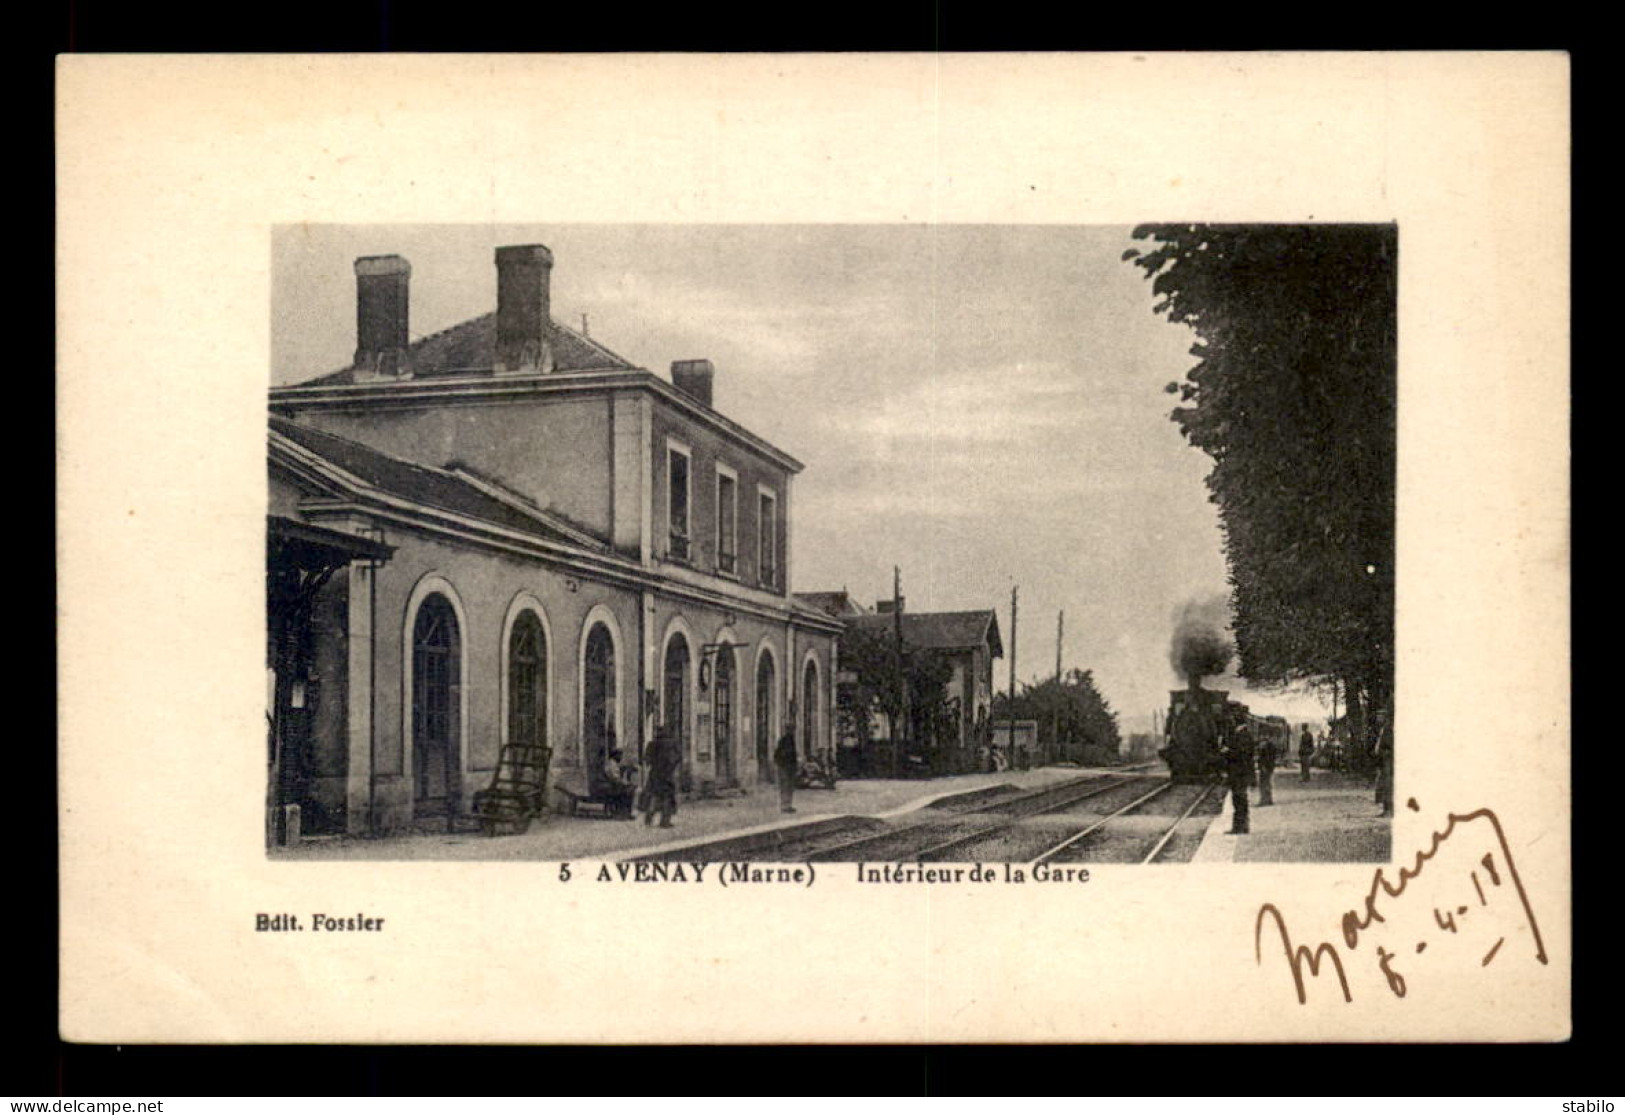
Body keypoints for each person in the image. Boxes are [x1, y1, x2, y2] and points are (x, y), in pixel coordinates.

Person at [641, 727, 680, 828]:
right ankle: (665, 821)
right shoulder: (671, 744)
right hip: (667, 775)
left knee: (654, 797)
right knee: (667, 798)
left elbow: (646, 759)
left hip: (655, 775)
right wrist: (671, 768)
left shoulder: (652, 744)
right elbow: (677, 758)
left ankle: (648, 818)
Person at [1222, 718, 1255, 835]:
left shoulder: (1242, 736)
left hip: (1239, 773)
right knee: (1240, 800)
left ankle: (1240, 827)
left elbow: (1241, 754)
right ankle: (1241, 826)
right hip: (1241, 773)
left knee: (1239, 800)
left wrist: (1228, 752)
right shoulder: (1244, 735)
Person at [601, 747, 636, 819]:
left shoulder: (613, 763)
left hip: (614, 784)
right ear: (615, 755)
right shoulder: (611, 764)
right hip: (612, 785)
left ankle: (625, 812)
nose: (621, 757)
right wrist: (624, 783)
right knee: (629, 791)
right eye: (619, 755)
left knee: (630, 789)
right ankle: (623, 812)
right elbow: (614, 777)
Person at [1373, 710, 1394, 816]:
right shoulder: (1382, 729)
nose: (1378, 718)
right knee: (1382, 783)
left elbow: (1389, 745)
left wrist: (1384, 754)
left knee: (1387, 783)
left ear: (1384, 717)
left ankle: (1389, 809)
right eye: (1377, 716)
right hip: (1383, 760)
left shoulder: (1388, 729)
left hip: (1387, 760)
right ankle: (1385, 808)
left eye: (1380, 716)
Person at [774, 728, 799, 813]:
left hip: (789, 768)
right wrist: (781, 765)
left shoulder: (790, 741)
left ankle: (787, 805)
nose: (793, 732)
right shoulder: (785, 741)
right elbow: (777, 755)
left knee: (789, 787)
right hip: (785, 768)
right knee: (786, 787)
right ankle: (785, 806)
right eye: (792, 731)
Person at [1255, 728, 1278, 806]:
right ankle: (1269, 799)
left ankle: (1263, 800)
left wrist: (1263, 766)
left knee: (1263, 783)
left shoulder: (1264, 745)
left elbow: (1264, 757)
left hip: (1265, 767)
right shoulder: (1272, 745)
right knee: (1268, 783)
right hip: (1269, 766)